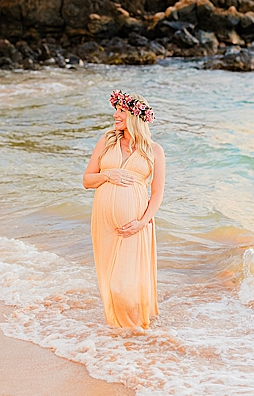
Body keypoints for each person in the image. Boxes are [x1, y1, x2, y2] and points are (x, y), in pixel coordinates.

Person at [83, 90, 167, 329]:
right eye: (116, 110)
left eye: (121, 111)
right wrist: (108, 174)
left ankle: (134, 335)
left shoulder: (154, 151)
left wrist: (142, 222)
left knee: (126, 285)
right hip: (104, 223)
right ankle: (119, 335)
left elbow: (158, 193)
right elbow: (87, 180)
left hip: (135, 225)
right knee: (111, 282)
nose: (115, 115)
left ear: (135, 116)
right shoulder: (107, 142)